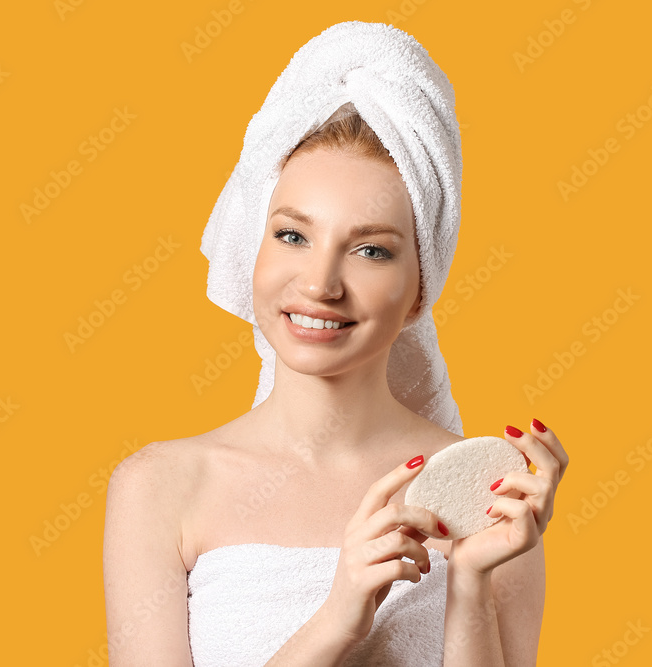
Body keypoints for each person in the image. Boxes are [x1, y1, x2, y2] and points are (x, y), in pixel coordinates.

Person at [103, 21, 568, 667]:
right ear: (254, 248)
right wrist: (336, 619)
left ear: (419, 287)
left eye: (371, 250)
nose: (320, 283)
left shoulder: (488, 494)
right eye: (293, 235)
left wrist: (470, 582)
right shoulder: (159, 488)